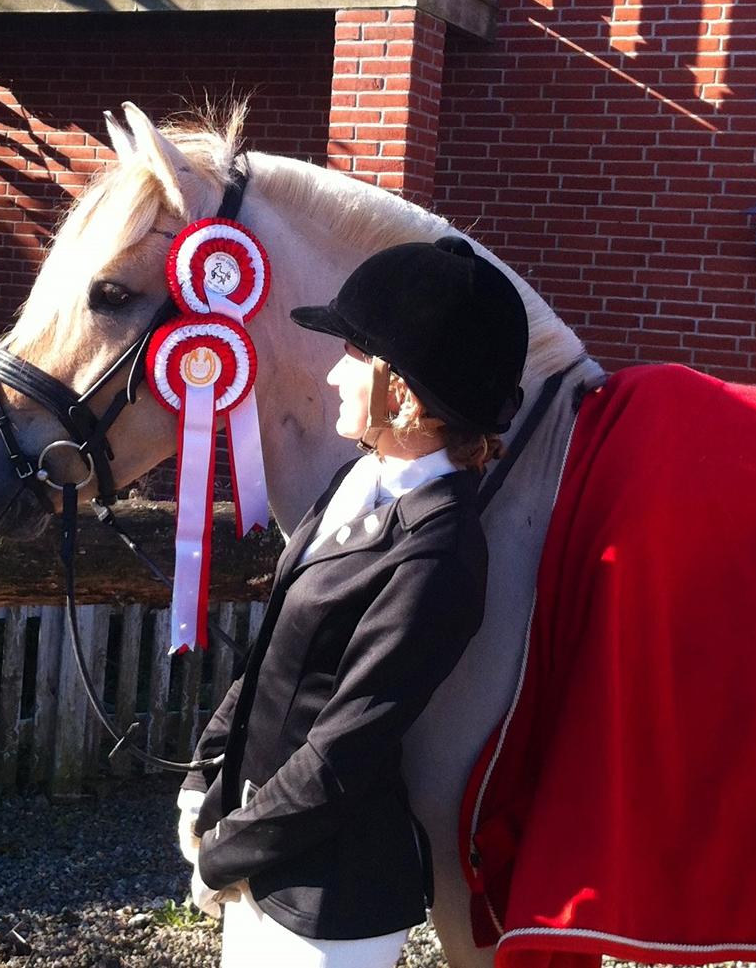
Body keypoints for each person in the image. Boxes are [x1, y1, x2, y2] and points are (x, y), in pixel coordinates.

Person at [175, 234, 529, 967]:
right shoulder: (353, 481)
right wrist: (205, 772)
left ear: (400, 389)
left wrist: (222, 855)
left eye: (355, 356)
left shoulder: (439, 554)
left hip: (329, 905)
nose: (333, 373)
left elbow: (342, 753)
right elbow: (274, 653)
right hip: (264, 859)